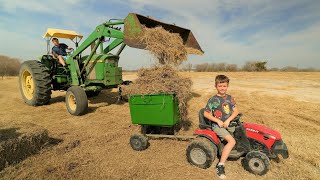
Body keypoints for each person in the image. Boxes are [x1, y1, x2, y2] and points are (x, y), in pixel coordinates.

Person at [203, 74, 239, 179]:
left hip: (229, 123)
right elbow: (206, 114)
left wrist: (228, 119)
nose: (222, 88)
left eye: (224, 86)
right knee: (232, 142)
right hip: (217, 126)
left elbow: (236, 111)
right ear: (216, 86)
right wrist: (218, 120)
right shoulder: (212, 100)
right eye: (220, 86)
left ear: (227, 86)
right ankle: (220, 165)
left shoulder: (230, 98)